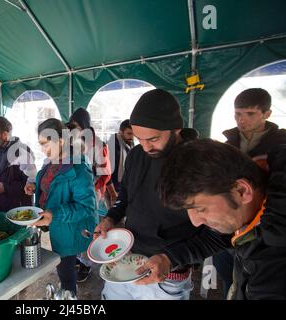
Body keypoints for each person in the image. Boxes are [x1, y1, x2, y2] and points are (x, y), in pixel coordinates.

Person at [95, 88, 229, 300]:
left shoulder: (199, 164)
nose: (146, 147)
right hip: (127, 260)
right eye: (139, 139)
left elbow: (219, 236)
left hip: (166, 275)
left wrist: (170, 259)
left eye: (153, 139)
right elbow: (126, 195)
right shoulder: (136, 156)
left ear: (175, 129)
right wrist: (111, 217)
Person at [157, 139, 286, 299]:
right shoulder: (258, 214)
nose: (195, 222)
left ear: (241, 190)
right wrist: (168, 259)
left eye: (200, 209)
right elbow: (221, 238)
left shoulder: (272, 274)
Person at [214, 88, 286, 298]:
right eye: (238, 113)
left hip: (264, 237)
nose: (241, 120)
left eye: (250, 114)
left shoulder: (280, 147)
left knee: (256, 286)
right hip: (228, 234)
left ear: (267, 114)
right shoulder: (227, 146)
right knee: (230, 280)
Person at [26, 118, 97, 298]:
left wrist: (55, 214)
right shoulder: (52, 162)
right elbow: (53, 186)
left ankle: (69, 296)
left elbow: (87, 207)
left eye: (45, 144)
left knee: (66, 273)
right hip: (52, 226)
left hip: (68, 229)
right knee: (60, 267)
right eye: (40, 144)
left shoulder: (79, 169)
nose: (42, 149)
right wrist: (37, 188)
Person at [67, 108, 113, 282]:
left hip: (93, 193)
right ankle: (79, 258)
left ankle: (86, 263)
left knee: (88, 227)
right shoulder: (72, 142)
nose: (73, 130)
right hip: (76, 191)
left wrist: (93, 187)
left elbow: (106, 174)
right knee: (77, 225)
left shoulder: (98, 145)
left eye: (76, 126)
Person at [0, 116, 37, 212]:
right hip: (1, 206)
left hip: (19, 211)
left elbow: (32, 183)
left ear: (5, 135)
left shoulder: (21, 152)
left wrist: (5, 187)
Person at [106, 119, 135, 197]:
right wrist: (112, 193)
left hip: (123, 186)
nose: (132, 137)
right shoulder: (112, 145)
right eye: (129, 133)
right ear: (121, 132)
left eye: (133, 134)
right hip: (113, 188)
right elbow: (106, 170)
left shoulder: (129, 143)